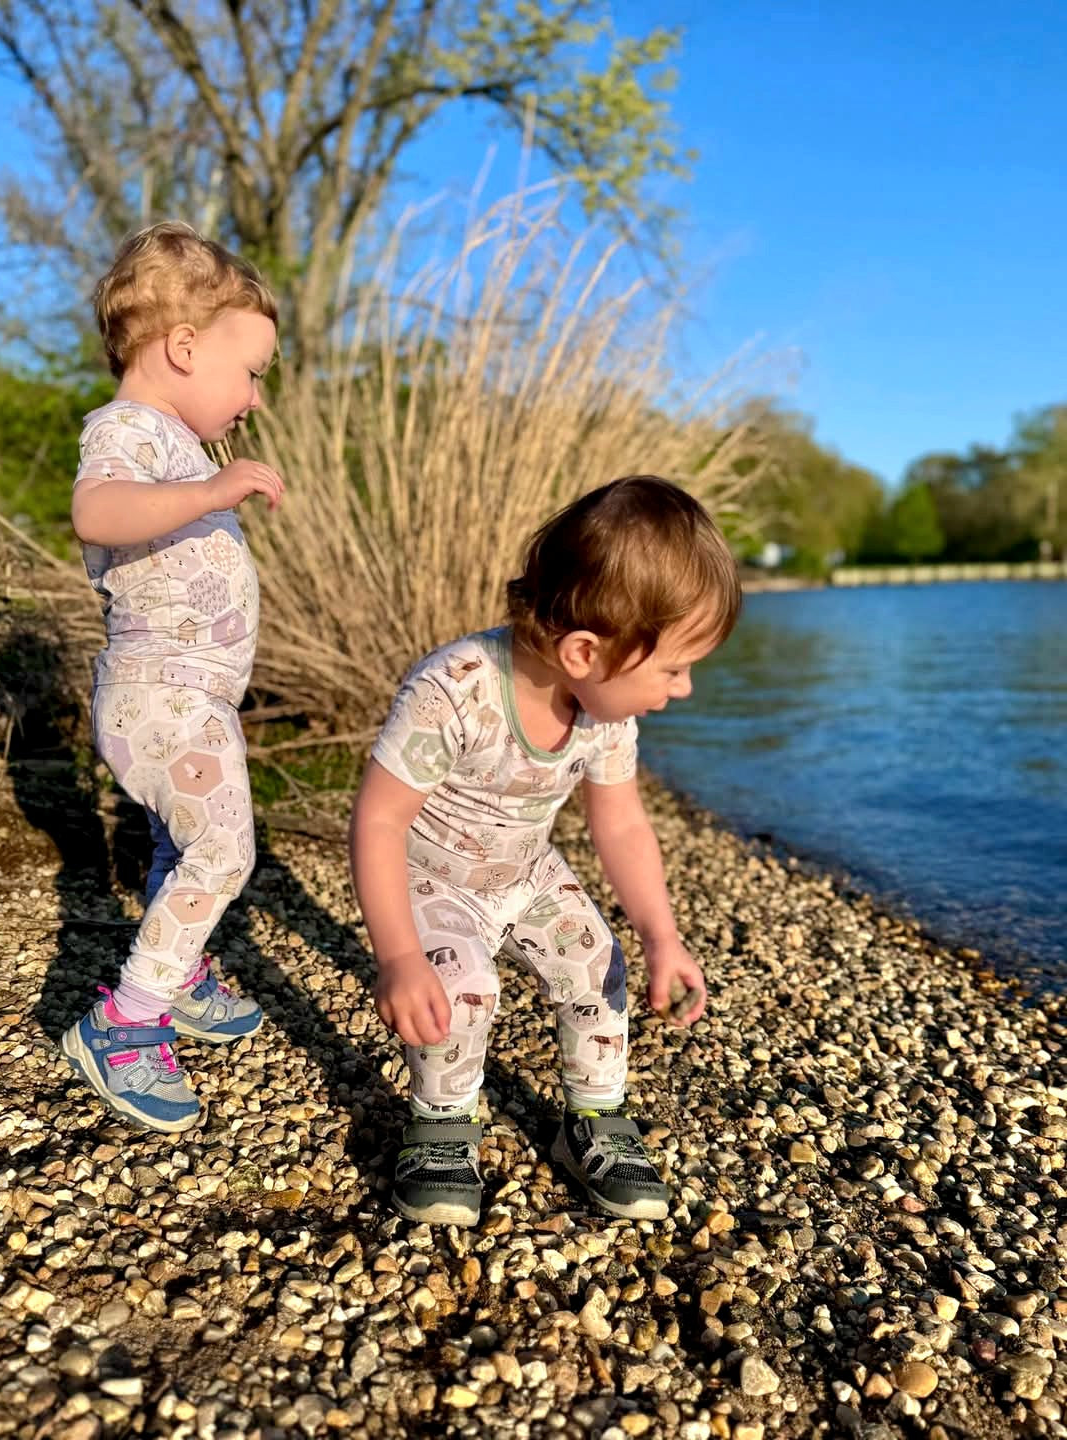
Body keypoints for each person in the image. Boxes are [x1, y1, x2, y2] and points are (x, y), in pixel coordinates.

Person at [349, 476, 742, 1225]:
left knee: (599, 962)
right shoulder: (454, 690)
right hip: (434, 876)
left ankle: (592, 1119)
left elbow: (620, 824)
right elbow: (378, 821)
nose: (685, 689)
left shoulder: (602, 710)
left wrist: (662, 936)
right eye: (672, 668)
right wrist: (398, 956)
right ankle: (441, 1124)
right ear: (586, 651)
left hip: (527, 870)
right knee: (460, 988)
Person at [61, 221, 284, 1133]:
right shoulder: (129, 432)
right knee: (223, 851)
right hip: (159, 697)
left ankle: (181, 972)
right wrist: (207, 496)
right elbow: (97, 509)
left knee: (174, 843)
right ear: (184, 349)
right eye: (253, 372)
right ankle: (125, 1021)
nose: (256, 399)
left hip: (195, 699)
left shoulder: (178, 444)